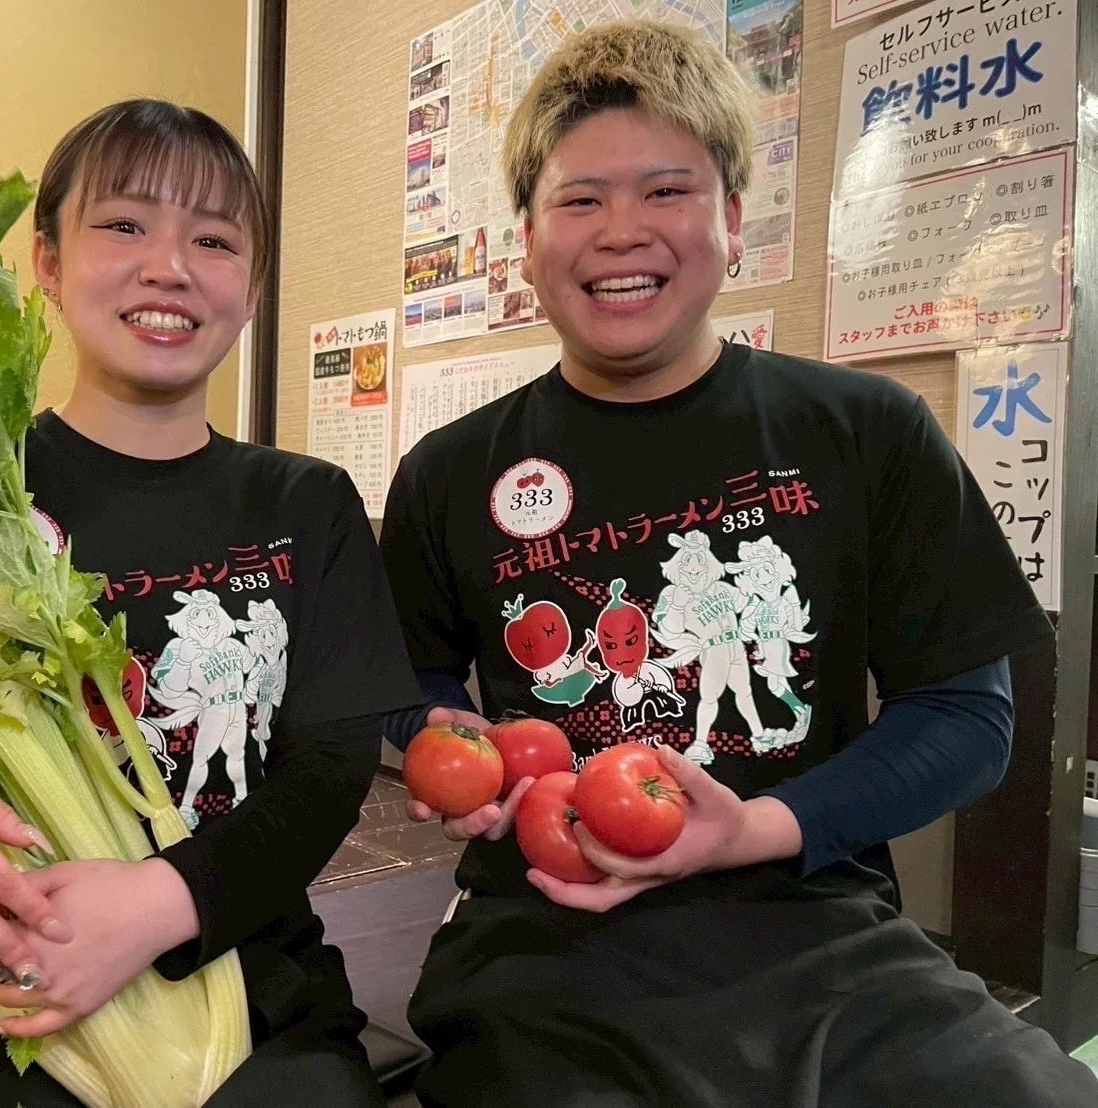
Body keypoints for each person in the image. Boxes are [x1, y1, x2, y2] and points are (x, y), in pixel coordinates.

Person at [378, 21, 1098, 1107]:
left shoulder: (866, 429)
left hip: (813, 916)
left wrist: (757, 827)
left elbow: (966, 718)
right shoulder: (447, 471)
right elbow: (409, 691)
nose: (621, 233)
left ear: (729, 218)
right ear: (526, 238)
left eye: (666, 192)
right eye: (579, 201)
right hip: (544, 923)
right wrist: (442, 740)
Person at [0, 98, 421, 1108]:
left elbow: (331, 770)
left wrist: (160, 901)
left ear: (249, 292)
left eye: (213, 239)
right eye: (124, 224)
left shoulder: (305, 501)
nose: (169, 266)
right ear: (49, 264)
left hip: (247, 970)